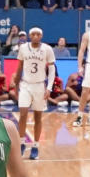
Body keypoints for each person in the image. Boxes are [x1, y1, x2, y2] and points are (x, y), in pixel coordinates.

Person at [12, 25, 54, 160]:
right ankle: (22, 143)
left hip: (40, 86)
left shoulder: (47, 49)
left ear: (41, 36)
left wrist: (49, 88)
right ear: (30, 36)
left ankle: (35, 146)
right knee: (23, 114)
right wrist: (16, 85)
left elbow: (52, 70)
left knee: (37, 117)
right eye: (33, 34)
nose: (35, 36)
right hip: (25, 84)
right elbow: (19, 68)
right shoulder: (23, 48)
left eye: (38, 34)